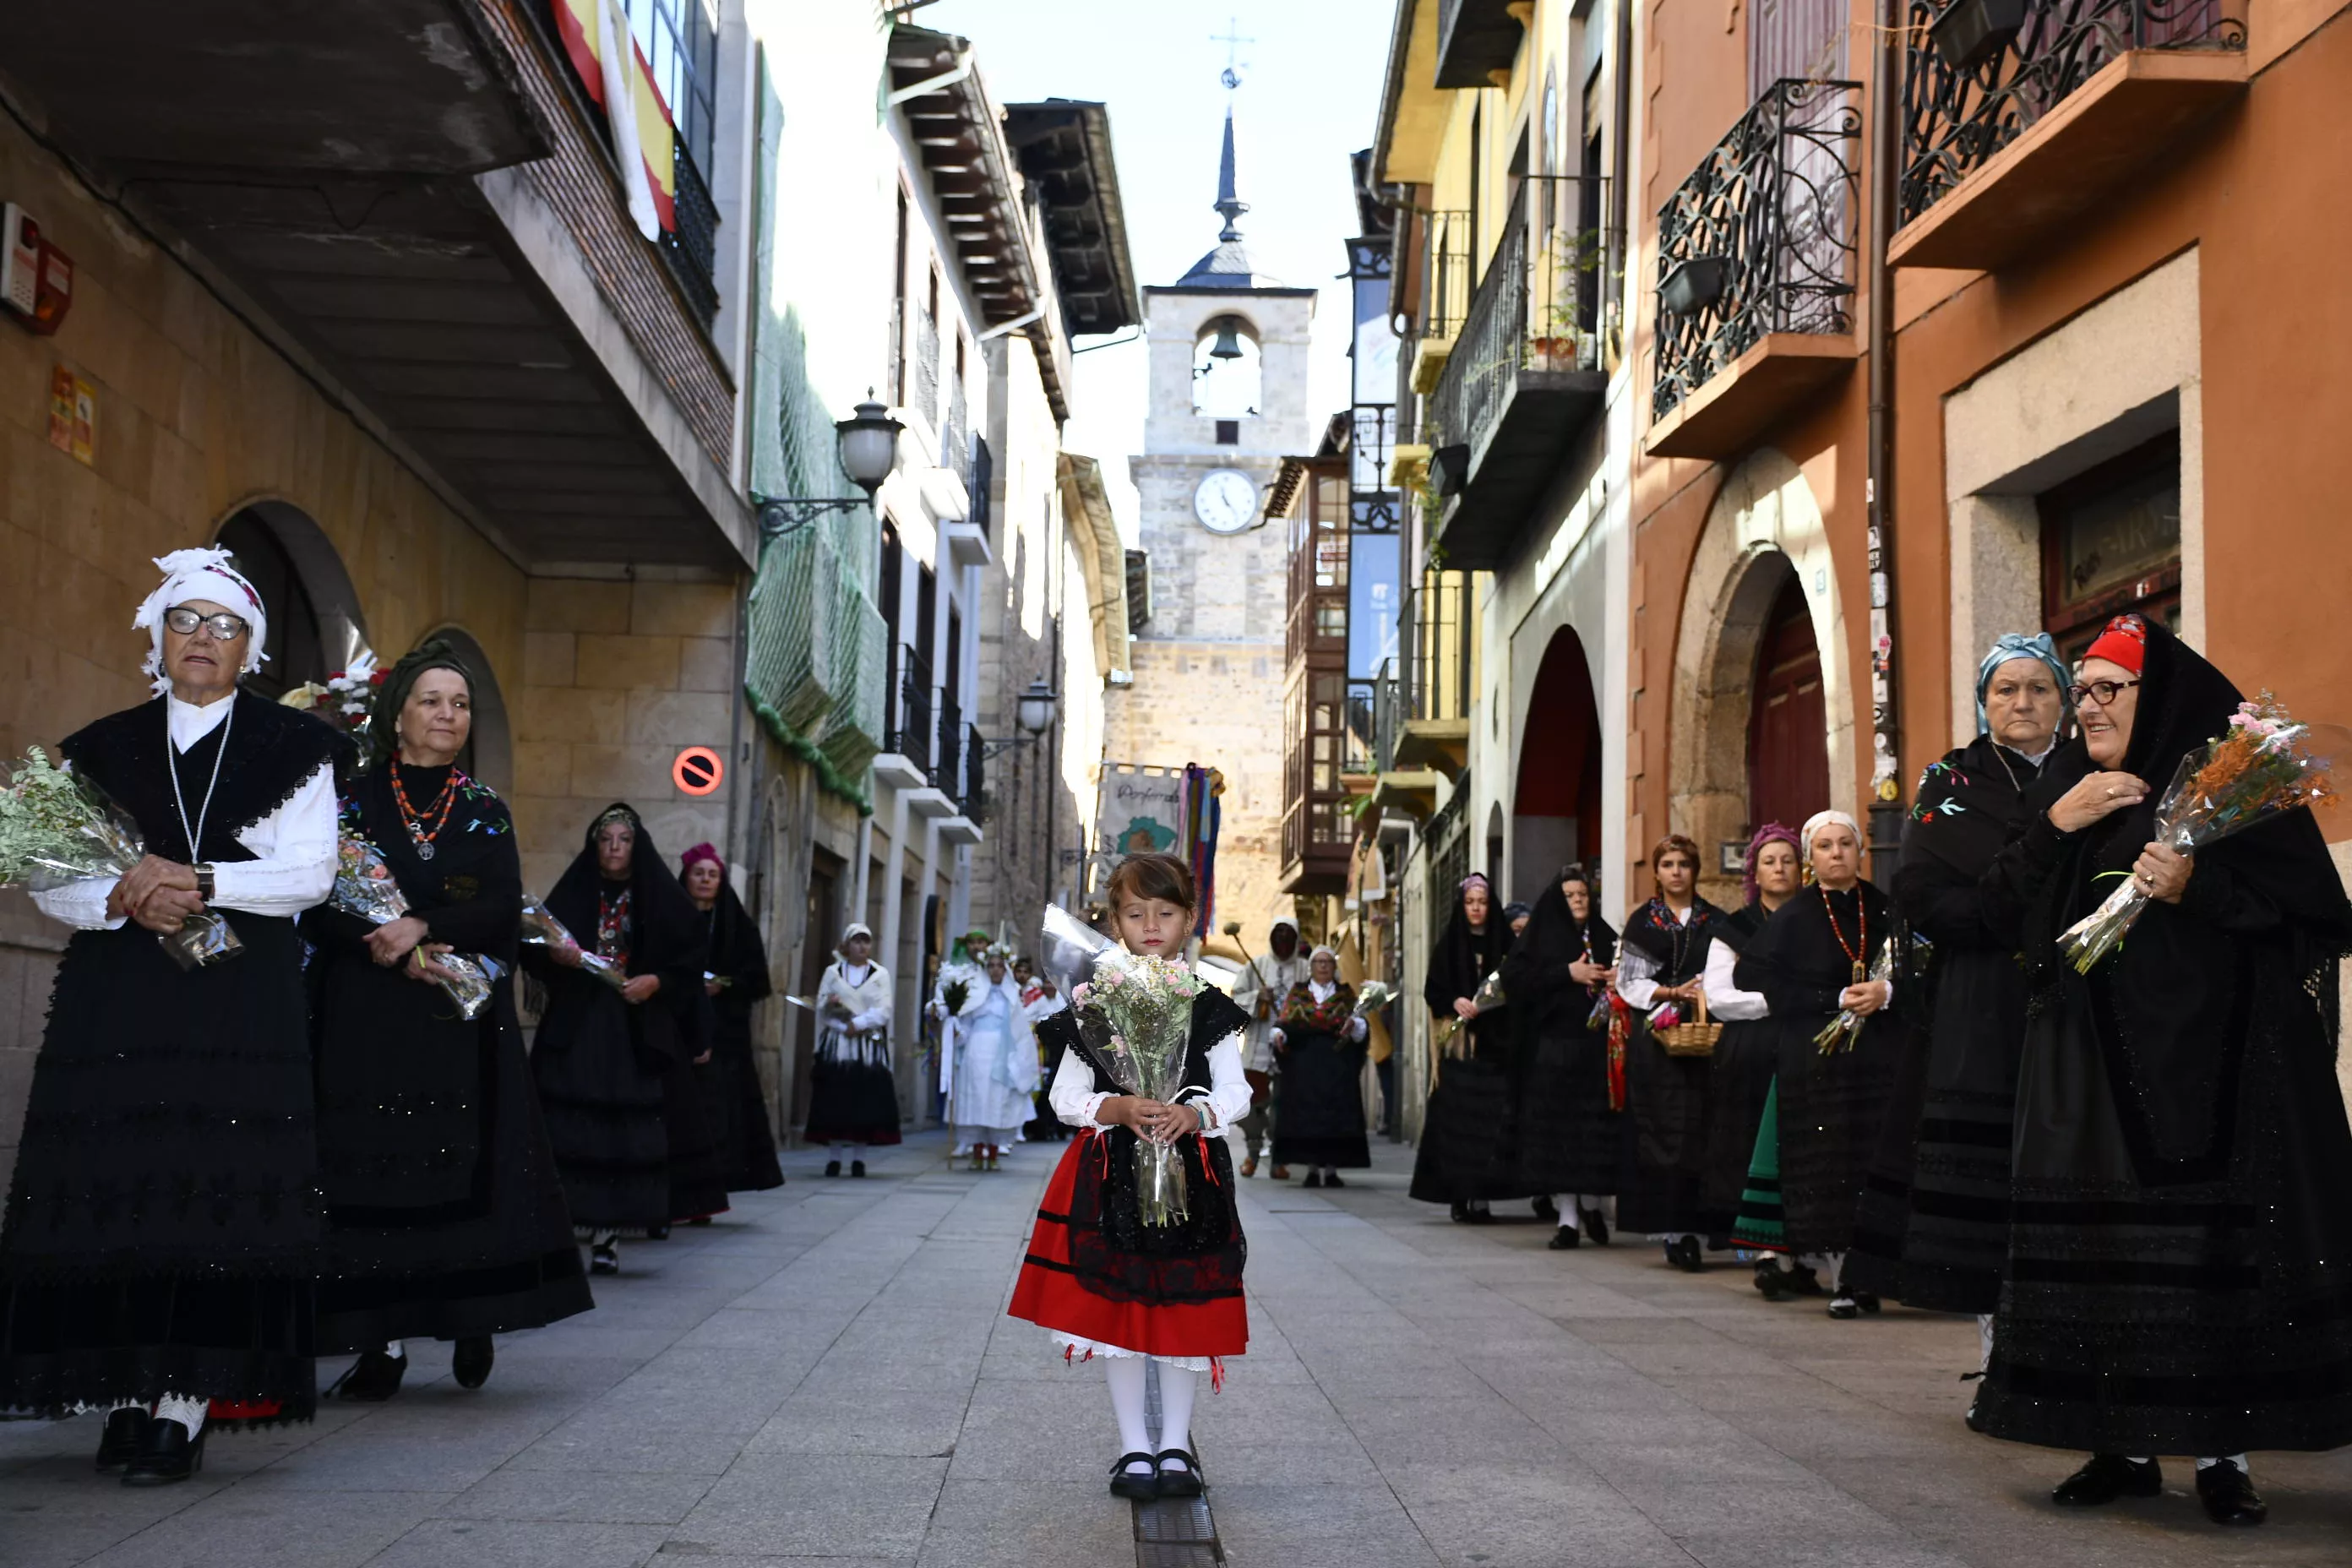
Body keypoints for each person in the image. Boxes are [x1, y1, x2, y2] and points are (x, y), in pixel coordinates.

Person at [1968, 614, 2352, 1526]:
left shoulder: (2236, 790)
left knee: (2202, 1256)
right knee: (2105, 1255)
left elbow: (2314, 920)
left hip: (2213, 1077)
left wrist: (2201, 886)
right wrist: (2053, 831)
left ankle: (2224, 1453)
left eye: (2110, 689)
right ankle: (2122, 1445)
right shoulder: (2068, 783)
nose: (2088, 706)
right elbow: (1993, 918)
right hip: (2085, 1079)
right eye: (2084, 689)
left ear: (2163, 696)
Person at [0, 548, 347, 1484]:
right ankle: (121, 1387)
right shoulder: (97, 746)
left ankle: (181, 1401)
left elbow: (310, 872)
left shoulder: (297, 746)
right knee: (117, 1180)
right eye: (187, 621)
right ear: (157, 638)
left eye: (225, 625)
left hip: (239, 1002)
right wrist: (122, 894)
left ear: (251, 649)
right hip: (119, 998)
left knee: (209, 1187)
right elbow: (47, 877)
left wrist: (195, 878)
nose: (204, 639)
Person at [306, 641, 593, 1401]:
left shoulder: (483, 809)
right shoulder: (350, 800)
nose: (447, 714)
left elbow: (500, 907)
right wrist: (384, 942)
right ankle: (380, 1345)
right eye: (432, 700)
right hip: (365, 1015)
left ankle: (473, 1316)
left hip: (455, 1019)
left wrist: (421, 926)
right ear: (398, 712)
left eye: (460, 704)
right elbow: (314, 898)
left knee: (459, 1166)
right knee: (369, 1169)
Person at [1006, 852, 1252, 1502]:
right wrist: (1110, 1108)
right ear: (1114, 920)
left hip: (1191, 1176)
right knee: (1118, 1309)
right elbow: (1064, 1096)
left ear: (1188, 920)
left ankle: (1176, 1444)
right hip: (1110, 1172)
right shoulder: (1095, 1002)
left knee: (1183, 1308)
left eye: (1165, 913)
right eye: (1136, 913)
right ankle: (1132, 1448)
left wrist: (1196, 1113)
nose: (1151, 925)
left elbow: (1238, 1089)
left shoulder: (1207, 1003)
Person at [1843, 634, 2067, 1335]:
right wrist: (1997, 911)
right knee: (1984, 1174)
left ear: (2063, 699)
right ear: (1984, 701)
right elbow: (1921, 891)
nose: (2023, 702)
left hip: (2076, 997)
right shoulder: (1952, 781)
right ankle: (1994, 1342)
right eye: (2006, 689)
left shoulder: (2096, 770)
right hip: (1981, 1003)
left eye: (2039, 688)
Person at [527, 803, 717, 1276]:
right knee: (568, 1127)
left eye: (623, 839)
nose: (614, 848)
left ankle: (608, 1235)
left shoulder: (658, 896)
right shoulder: (576, 889)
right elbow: (534, 945)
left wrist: (656, 981)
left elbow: (689, 959)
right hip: (577, 1024)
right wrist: (559, 957)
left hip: (632, 1029)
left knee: (619, 1133)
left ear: (637, 846)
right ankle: (564, 1227)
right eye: (606, 839)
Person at [1732, 810, 1906, 1319]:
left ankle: (1872, 1272)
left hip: (1878, 1059)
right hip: (1815, 1059)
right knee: (1828, 1170)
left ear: (1860, 852)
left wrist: (1886, 992)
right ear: (1812, 858)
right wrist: (1833, 997)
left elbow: (1921, 972)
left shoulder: (1886, 908)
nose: (1836, 853)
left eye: (1845, 844)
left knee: (1872, 1163)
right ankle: (1843, 1278)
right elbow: (1754, 979)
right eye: (1826, 846)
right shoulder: (1793, 916)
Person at [1699, 824, 1808, 1298]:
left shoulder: (1816, 920)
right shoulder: (1735, 929)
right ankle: (1764, 1253)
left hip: (1805, 1045)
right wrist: (1782, 1001)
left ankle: (1800, 1252)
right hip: (1753, 1050)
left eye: (1787, 859)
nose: (1779, 868)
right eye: (1769, 861)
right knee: (1753, 1149)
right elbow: (1720, 997)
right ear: (1755, 872)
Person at [1614, 836, 1728, 1271]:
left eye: (1684, 863)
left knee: (1702, 1129)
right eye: (1668, 864)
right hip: (1659, 1040)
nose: (1676, 871)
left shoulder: (1714, 919)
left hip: (1705, 1034)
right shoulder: (1643, 922)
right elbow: (1629, 981)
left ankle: (1700, 1228)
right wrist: (1671, 991)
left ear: (1694, 870)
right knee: (1663, 1133)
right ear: (1657, 872)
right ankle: (1671, 1231)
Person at [1505, 863, 1622, 1249]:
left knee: (1590, 1135)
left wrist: (1614, 980)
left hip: (1595, 1050)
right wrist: (1566, 973)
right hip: (1555, 1049)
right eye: (1570, 896)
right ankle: (1568, 1219)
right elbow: (1515, 979)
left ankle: (1590, 1205)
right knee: (1561, 1137)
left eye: (1583, 895)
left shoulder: (1605, 935)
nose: (1577, 901)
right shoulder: (1540, 937)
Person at [1409, 874, 1522, 1222]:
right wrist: (1455, 1001)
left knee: (1489, 1126)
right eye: (1471, 903)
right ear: (1463, 905)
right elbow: (1433, 990)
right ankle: (1459, 1196)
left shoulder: (1504, 943)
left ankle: (1484, 1199)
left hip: (1494, 1048)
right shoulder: (1449, 944)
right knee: (1458, 1126)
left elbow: (1518, 984)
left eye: (1483, 903)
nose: (1477, 909)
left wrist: (1495, 1005)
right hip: (1459, 1051)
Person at [679, 844, 785, 1200]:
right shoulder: (668, 918)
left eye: (712, 875)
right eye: (699, 874)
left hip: (725, 1036)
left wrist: (723, 986)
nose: (706, 880)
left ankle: (709, 1192)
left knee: (718, 1114)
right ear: (687, 877)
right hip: (677, 1030)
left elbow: (758, 980)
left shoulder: (739, 926)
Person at [1268, 945, 1371, 1186]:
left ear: (1334, 968)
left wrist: (1354, 1025)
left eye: (1328, 962)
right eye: (1319, 962)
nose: (1323, 966)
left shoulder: (1346, 995)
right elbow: (1284, 1022)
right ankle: (1313, 1169)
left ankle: (1332, 1170)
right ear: (1311, 967)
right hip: (1305, 1067)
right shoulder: (1298, 994)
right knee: (1309, 1119)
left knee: (1336, 1117)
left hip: (1338, 1066)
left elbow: (1361, 1027)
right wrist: (1279, 1035)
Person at [806, 923, 898, 1174]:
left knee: (864, 1101)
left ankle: (859, 1158)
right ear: (847, 945)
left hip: (867, 1046)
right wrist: (839, 1021)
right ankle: (834, 1157)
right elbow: (822, 1005)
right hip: (839, 1044)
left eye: (865, 941)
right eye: (856, 941)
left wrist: (858, 1023)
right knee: (836, 1100)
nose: (861, 946)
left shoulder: (880, 975)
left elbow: (884, 1009)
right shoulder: (833, 973)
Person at [939, 946, 1041, 1170]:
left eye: (999, 966)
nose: (995, 970)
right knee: (976, 1098)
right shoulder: (973, 994)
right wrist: (957, 1033)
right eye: (991, 966)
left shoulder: (1012, 995)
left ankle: (993, 1153)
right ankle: (976, 1153)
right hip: (976, 1053)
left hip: (1003, 1054)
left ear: (1005, 969)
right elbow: (965, 1028)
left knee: (997, 1099)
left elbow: (1020, 1028)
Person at [1229, 916, 1309, 1179]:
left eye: (1289, 935)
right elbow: (1235, 998)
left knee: (1284, 1107)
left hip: (1291, 1052)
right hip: (1257, 1049)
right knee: (1252, 1105)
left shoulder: (1306, 969)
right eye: (1279, 934)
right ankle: (1252, 1154)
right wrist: (1257, 997)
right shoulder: (1256, 966)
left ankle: (1278, 1158)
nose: (1283, 941)